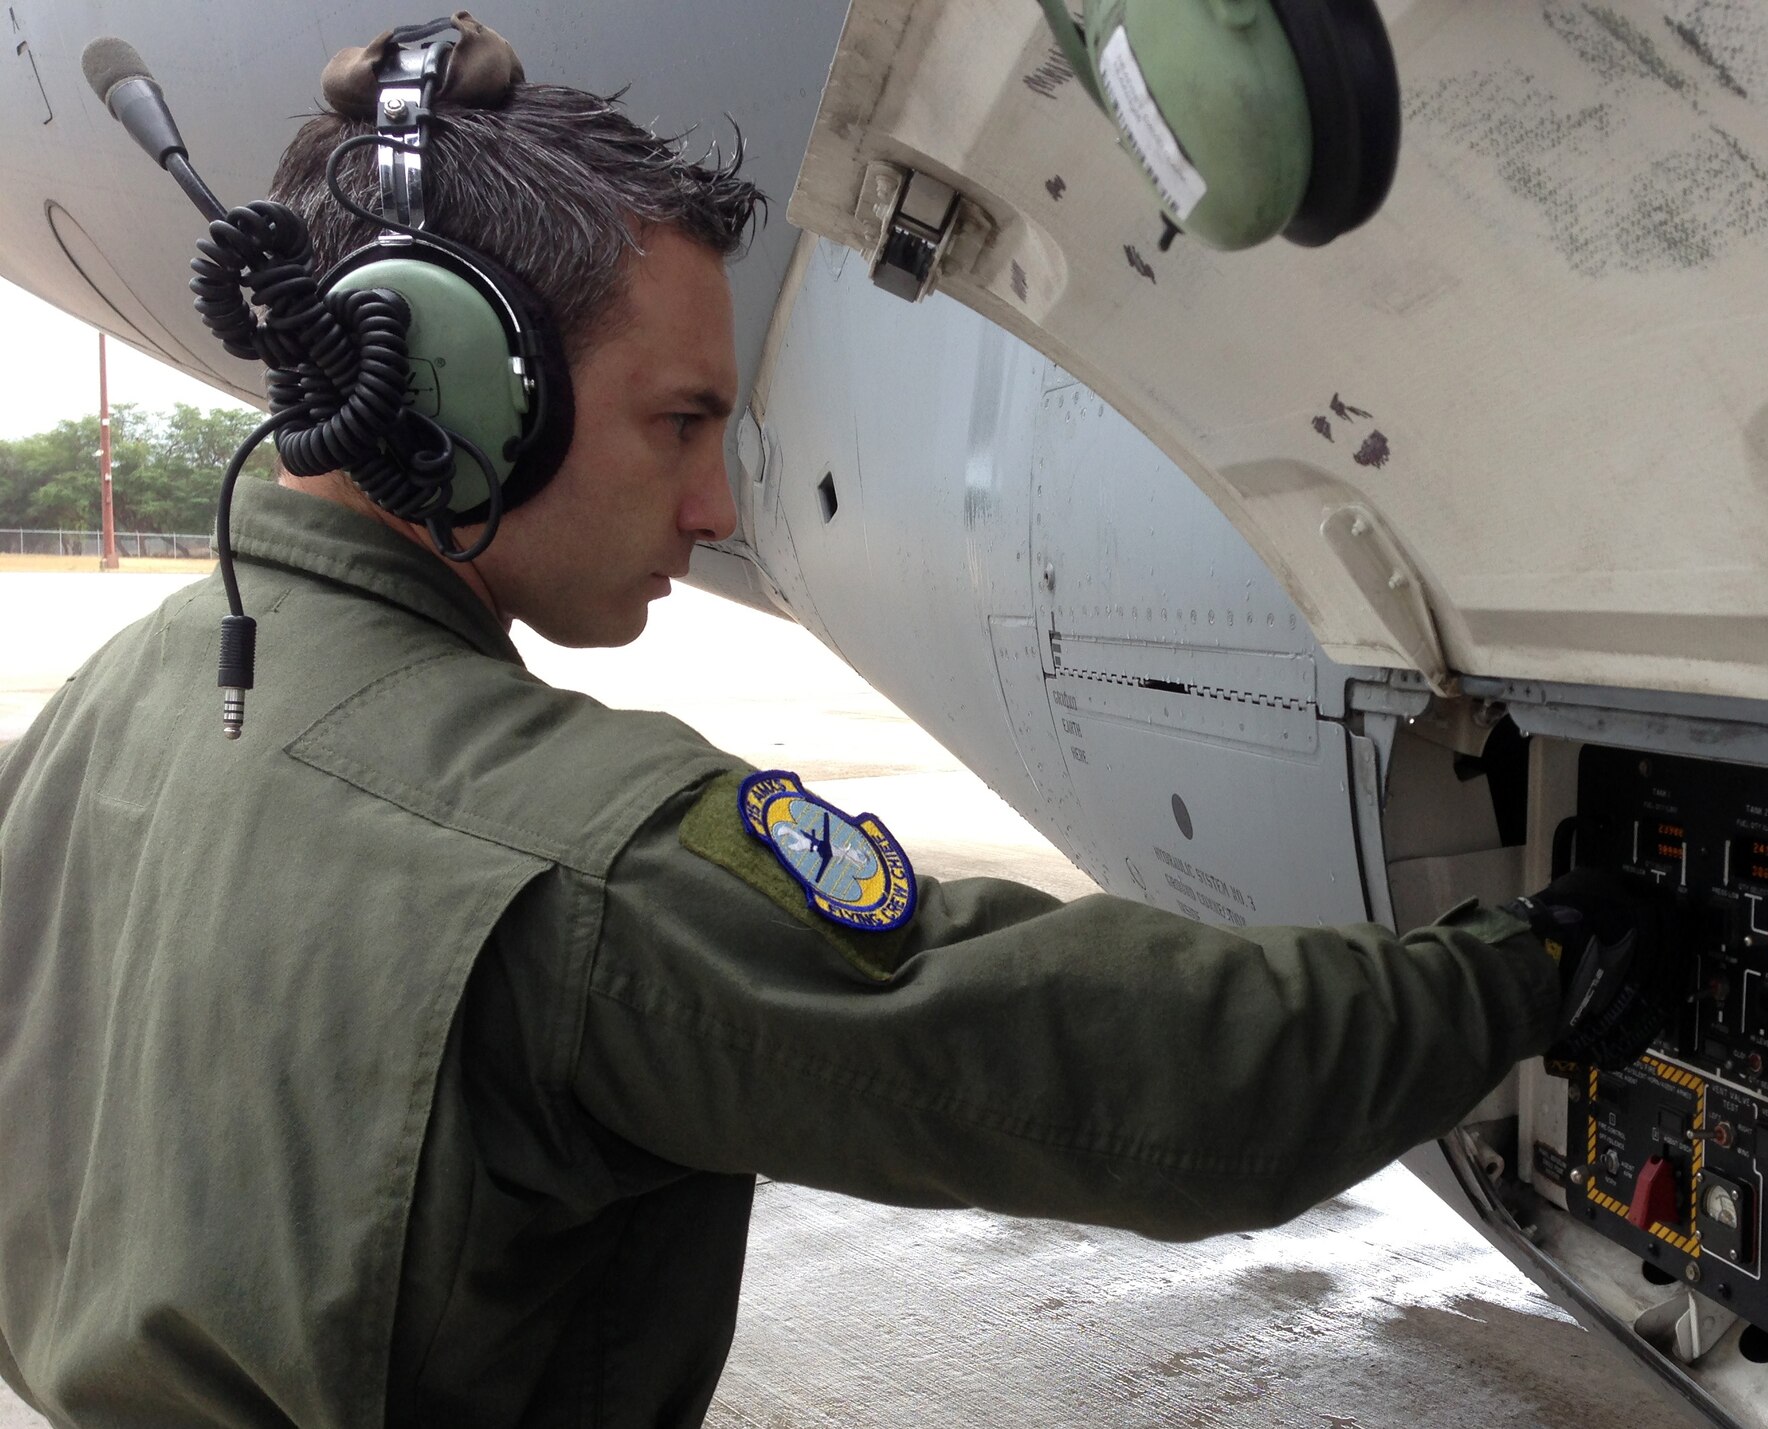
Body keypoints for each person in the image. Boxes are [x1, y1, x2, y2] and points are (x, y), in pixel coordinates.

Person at [0, 22, 1671, 1429]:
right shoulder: (584, 863)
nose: (720, 506)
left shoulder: (112, 705)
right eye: (681, 424)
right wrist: (1519, 973)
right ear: (458, 388)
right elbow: (1124, 1069)